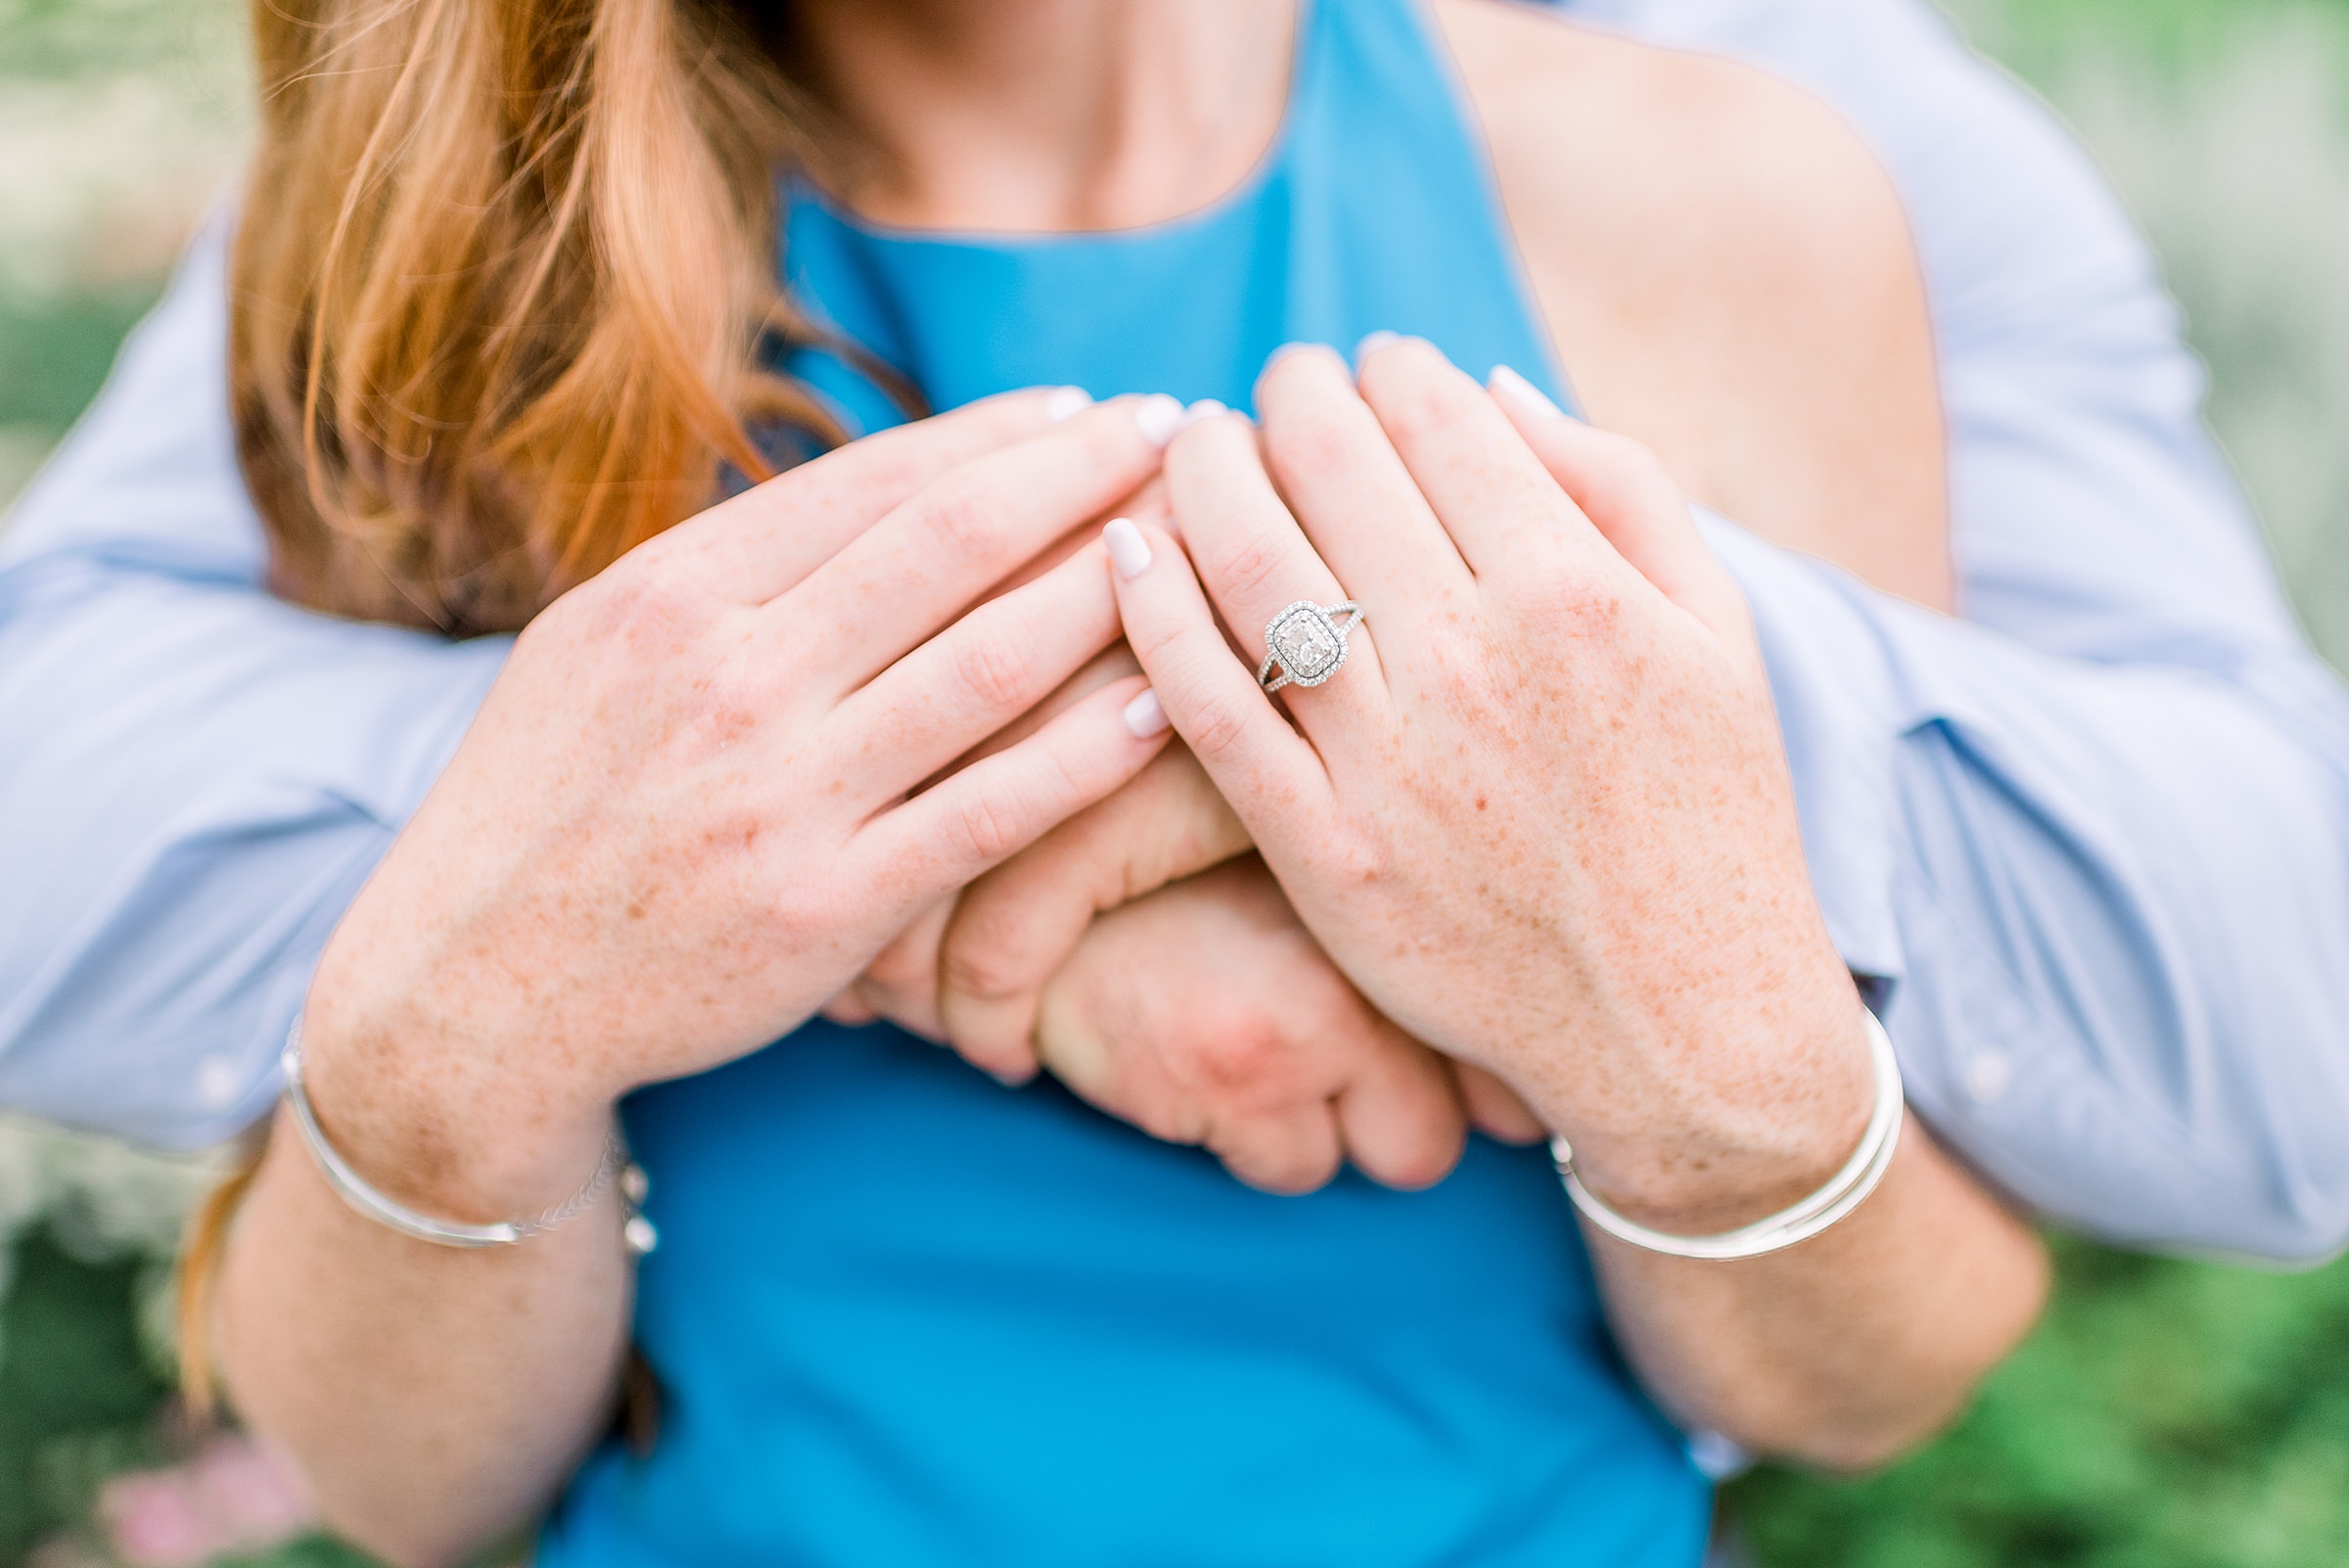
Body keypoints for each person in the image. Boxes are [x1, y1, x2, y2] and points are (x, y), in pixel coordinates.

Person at [0, 1, 2342, 1565]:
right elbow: (410, 1469)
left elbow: (1873, 1357)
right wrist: (543, 956)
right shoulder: (482, 237)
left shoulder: (1723, 200)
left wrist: (1561, 922)